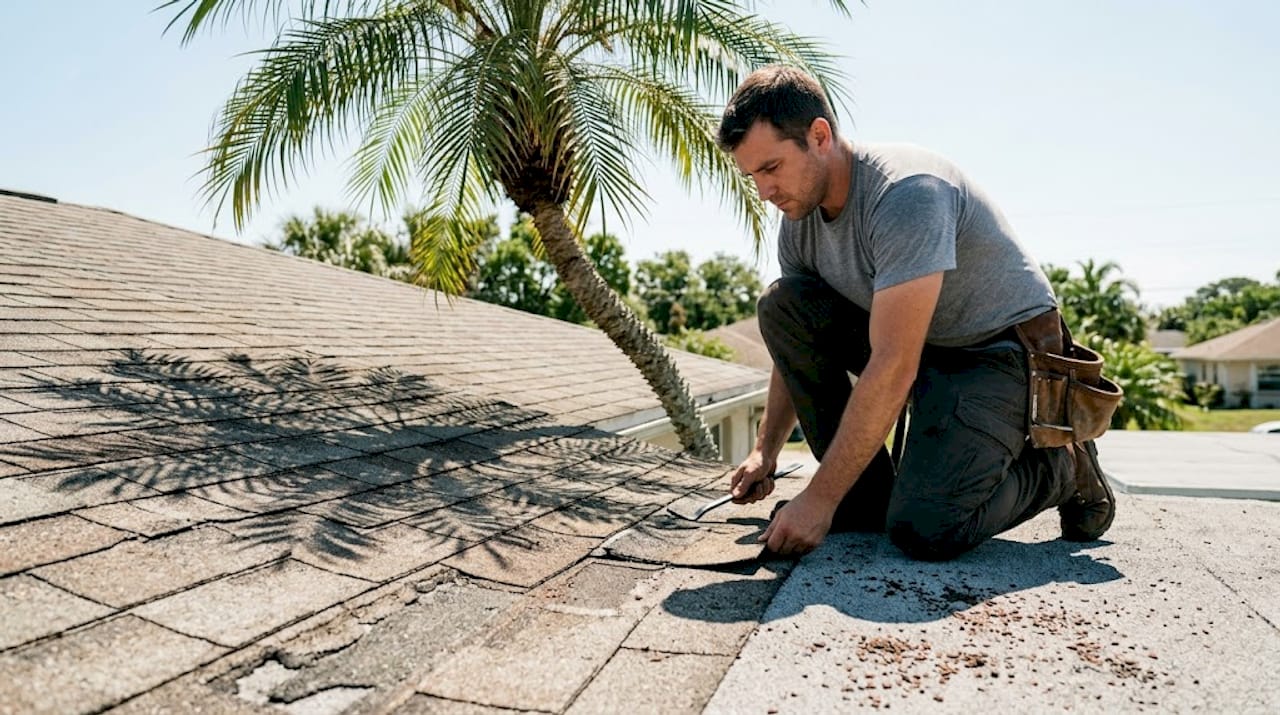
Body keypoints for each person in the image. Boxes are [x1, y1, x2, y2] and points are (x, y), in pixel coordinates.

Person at [717, 65, 1114, 561]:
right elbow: (794, 345)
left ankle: (1062, 466)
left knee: (925, 529)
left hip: (1002, 354)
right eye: (752, 175)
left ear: (819, 136)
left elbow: (892, 365)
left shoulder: (906, 193)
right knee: (783, 305)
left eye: (771, 168)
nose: (764, 191)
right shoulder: (799, 221)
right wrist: (765, 452)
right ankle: (862, 500)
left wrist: (817, 498)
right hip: (928, 349)